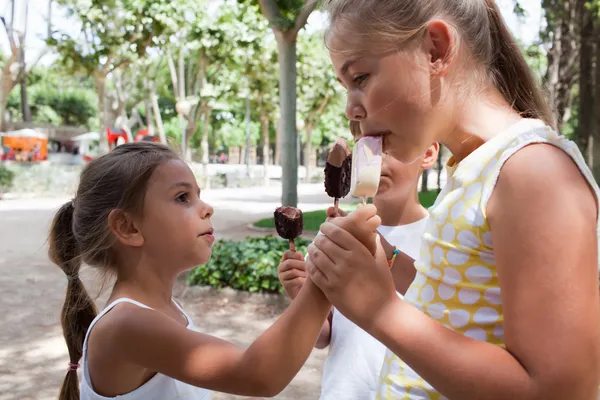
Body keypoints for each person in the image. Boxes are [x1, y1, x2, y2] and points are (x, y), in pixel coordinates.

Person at [306, 1, 600, 399]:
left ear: (435, 50)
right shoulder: (470, 168)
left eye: (360, 77)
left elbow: (560, 388)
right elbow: (454, 300)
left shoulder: (533, 173)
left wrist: (380, 310)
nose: (351, 109)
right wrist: (382, 257)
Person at [49, 142, 335, 400]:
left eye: (199, 195)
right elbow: (258, 374)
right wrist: (326, 279)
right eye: (183, 197)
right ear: (128, 227)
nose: (207, 208)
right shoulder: (126, 324)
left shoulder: (166, 310)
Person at [278, 122, 439, 399]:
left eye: (387, 148)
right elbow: (323, 337)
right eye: (365, 149)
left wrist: (383, 249)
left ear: (427, 153)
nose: (376, 161)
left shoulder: (440, 236)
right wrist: (300, 291)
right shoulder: (335, 235)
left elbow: (440, 307)